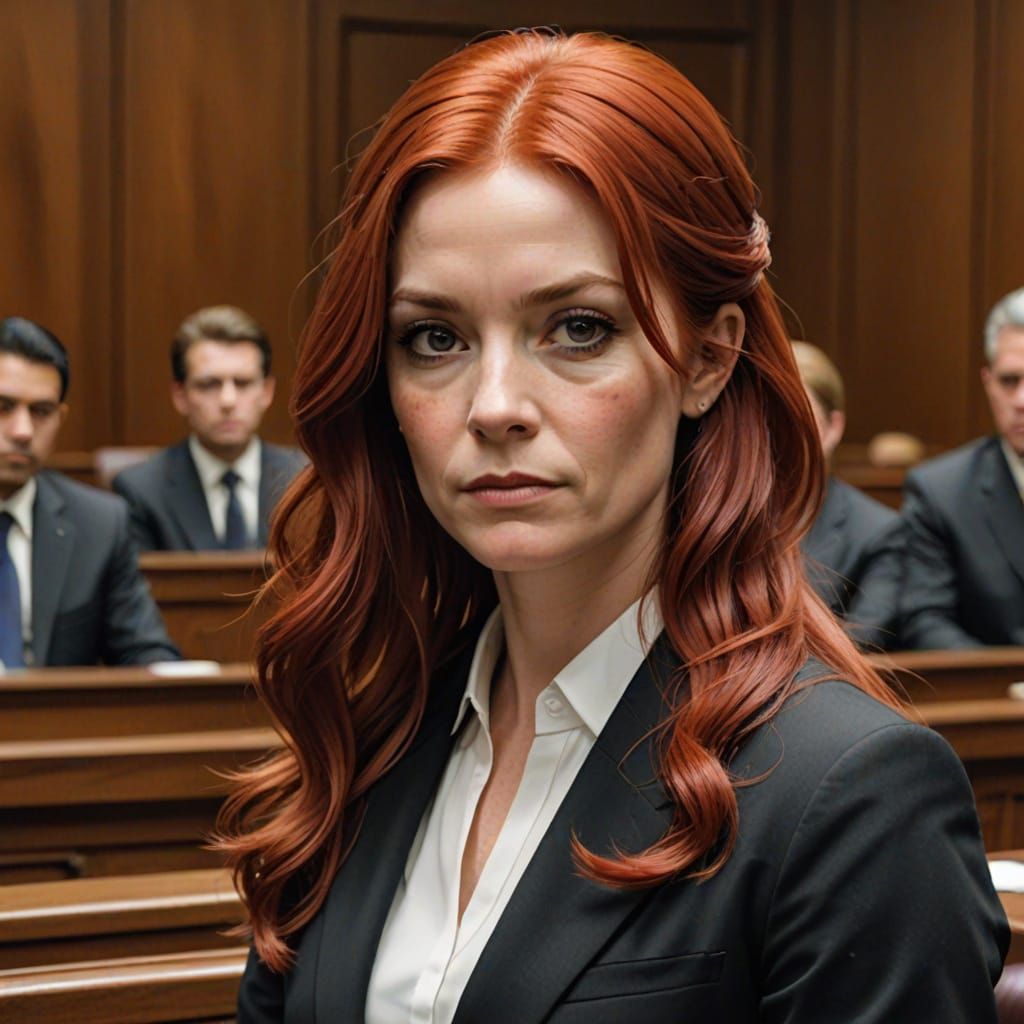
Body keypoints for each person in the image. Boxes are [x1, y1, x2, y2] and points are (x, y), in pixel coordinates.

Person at [221, 31, 1006, 1022]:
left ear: (707, 358)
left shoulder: (850, 794)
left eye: (577, 327)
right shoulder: (371, 741)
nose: (494, 403)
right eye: (435, 338)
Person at [0, 317, 179, 666]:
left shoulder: (99, 523)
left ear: (60, 419)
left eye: (41, 411)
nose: (22, 430)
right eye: (3, 407)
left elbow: (144, 651)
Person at [112, 305, 305, 551]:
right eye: (209, 384)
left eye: (243, 383)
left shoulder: (304, 480)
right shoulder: (141, 490)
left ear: (267, 392)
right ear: (180, 395)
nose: (228, 401)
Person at [901, 287, 1024, 647]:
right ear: (988, 384)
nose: (1021, 401)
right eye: (1009, 381)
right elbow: (925, 621)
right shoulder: (941, 492)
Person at [793, 341, 904, 649]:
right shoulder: (721, 513)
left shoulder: (877, 531)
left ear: (833, 427)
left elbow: (861, 643)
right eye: (767, 412)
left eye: (798, 412)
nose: (780, 429)